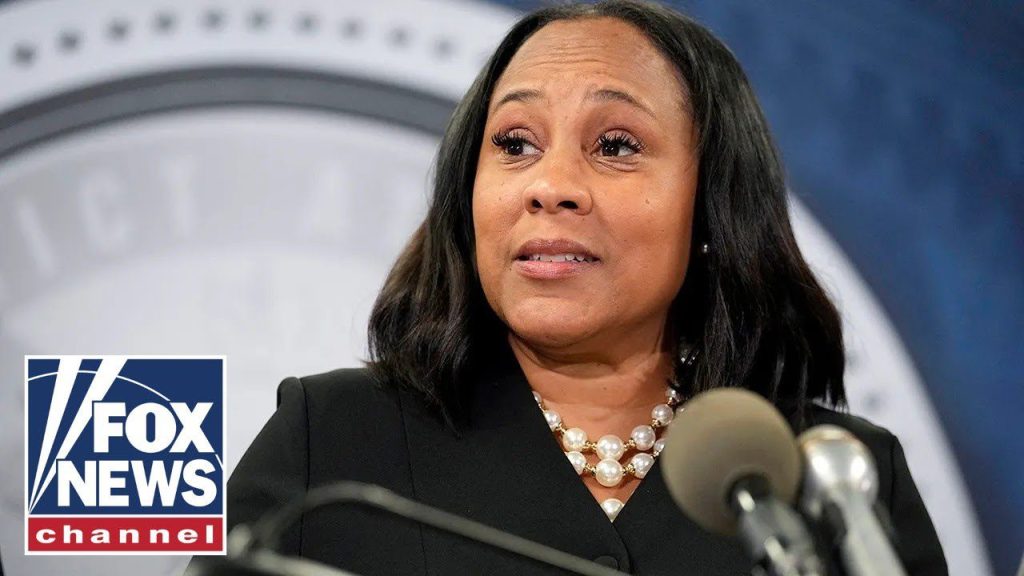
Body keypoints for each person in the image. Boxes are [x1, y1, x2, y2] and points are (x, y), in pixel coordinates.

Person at [192, 1, 947, 574]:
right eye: (515, 144)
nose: (550, 185)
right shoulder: (332, 442)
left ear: (712, 204)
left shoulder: (838, 480)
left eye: (615, 145)